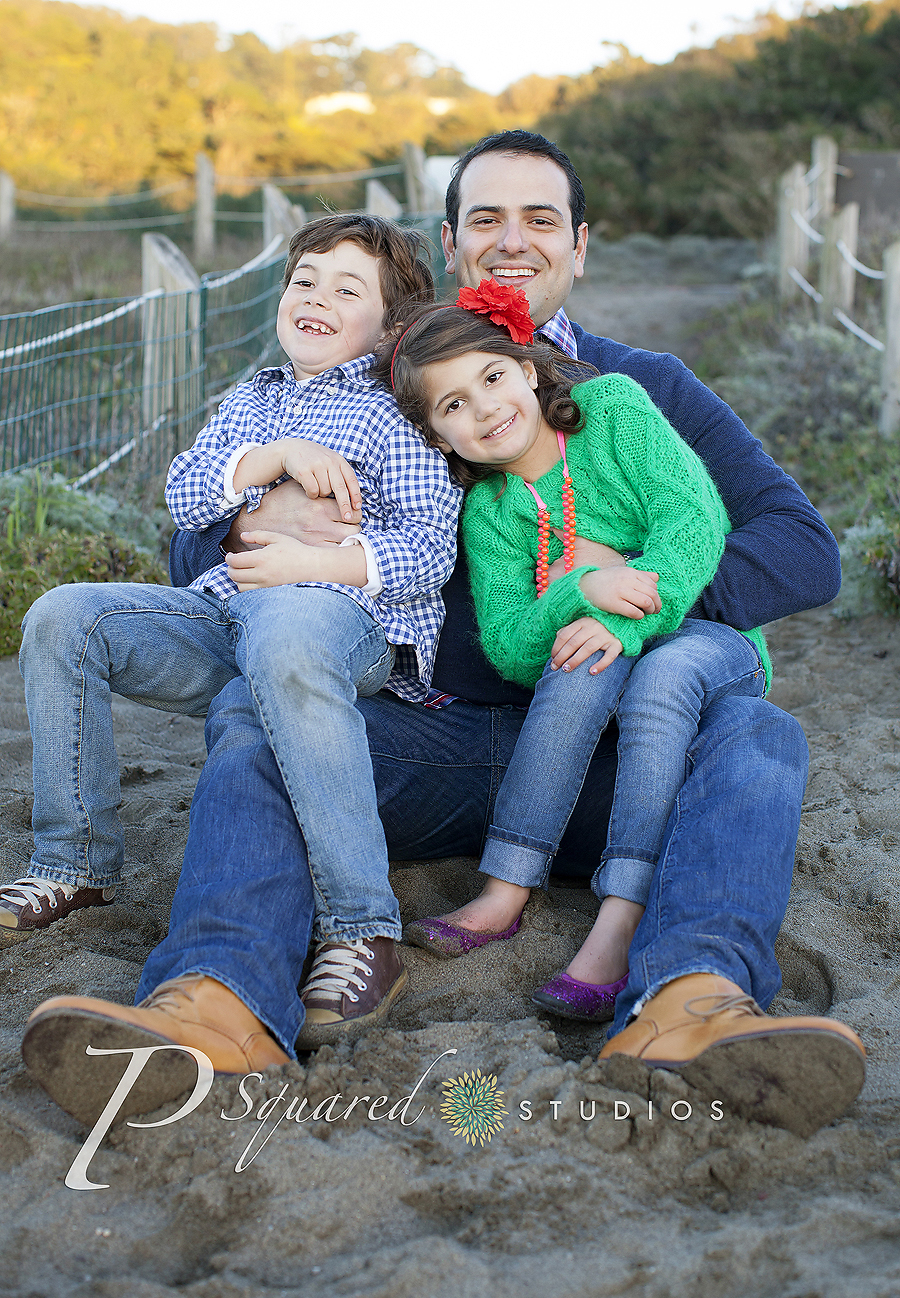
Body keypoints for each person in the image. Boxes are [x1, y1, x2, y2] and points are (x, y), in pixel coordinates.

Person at [22, 130, 865, 1140]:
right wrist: (260, 526)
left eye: (540, 219)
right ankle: (217, 999)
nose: (514, 240)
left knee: (755, 734)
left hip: (612, 754)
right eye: (487, 219)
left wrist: (618, 594)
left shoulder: (643, 391)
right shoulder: (388, 375)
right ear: (452, 242)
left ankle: (691, 1000)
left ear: (580, 245)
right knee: (260, 714)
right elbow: (199, 550)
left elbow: (802, 551)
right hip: (427, 738)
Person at [5, 214, 462, 1045]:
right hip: (226, 615)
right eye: (305, 281)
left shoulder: (396, 409)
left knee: (286, 632)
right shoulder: (255, 398)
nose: (316, 298)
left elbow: (429, 551)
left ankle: (363, 926)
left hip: (343, 623)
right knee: (65, 616)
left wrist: (317, 561)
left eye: (347, 289)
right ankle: (75, 863)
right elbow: (185, 497)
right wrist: (273, 457)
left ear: (389, 324)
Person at [387, 285, 769, 1023]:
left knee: (663, 674)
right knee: (572, 660)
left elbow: (694, 522)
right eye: (454, 405)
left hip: (710, 641)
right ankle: (506, 887)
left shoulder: (613, 411)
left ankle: (621, 916)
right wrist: (580, 589)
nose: (485, 409)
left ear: (528, 369)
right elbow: (509, 646)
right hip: (603, 637)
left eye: (492, 377)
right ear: (439, 437)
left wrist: (629, 618)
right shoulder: (491, 512)